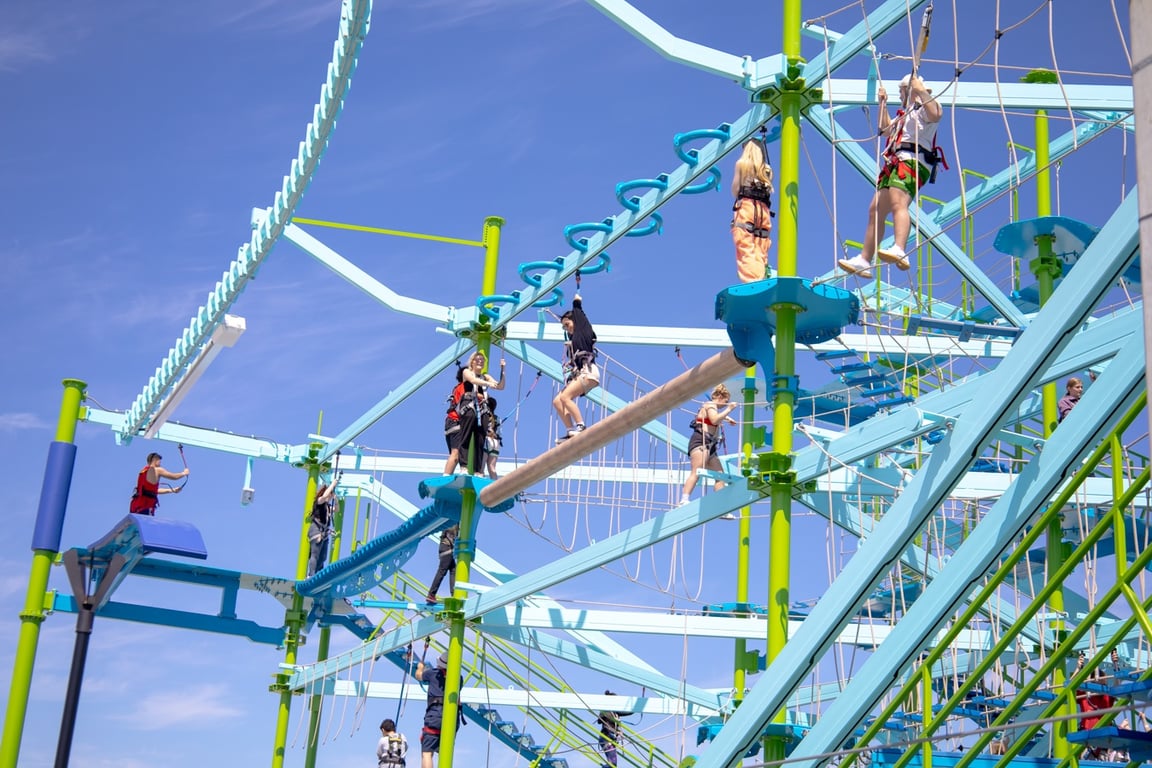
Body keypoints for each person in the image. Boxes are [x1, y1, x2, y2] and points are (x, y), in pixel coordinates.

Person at [840, 73, 944, 278]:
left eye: (901, 91)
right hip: (896, 162)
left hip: (912, 161)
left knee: (898, 203)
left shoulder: (924, 108)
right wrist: (882, 103)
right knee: (875, 210)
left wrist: (920, 90)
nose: (900, 95)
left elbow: (937, 114)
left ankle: (899, 248)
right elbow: (885, 129)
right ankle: (864, 259)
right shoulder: (904, 115)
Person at [443, 352, 505, 475]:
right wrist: (489, 384)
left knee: (480, 440)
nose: (480, 361)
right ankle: (464, 467)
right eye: (477, 359)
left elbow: (500, 386)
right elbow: (472, 380)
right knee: (465, 436)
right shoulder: (467, 372)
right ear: (472, 361)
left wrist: (503, 370)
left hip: (482, 410)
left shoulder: (485, 376)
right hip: (469, 406)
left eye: (482, 359)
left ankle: (478, 471)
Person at [679, 384, 739, 506]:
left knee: (720, 476)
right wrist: (729, 409)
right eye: (726, 402)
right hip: (701, 441)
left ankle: (720, 505)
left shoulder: (712, 407)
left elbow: (715, 416)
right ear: (720, 397)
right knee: (697, 471)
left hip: (710, 445)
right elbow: (714, 419)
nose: (725, 405)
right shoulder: (710, 405)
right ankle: (684, 499)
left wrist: (727, 418)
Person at [554, 294, 599, 444]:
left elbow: (578, 312)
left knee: (566, 397)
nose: (566, 328)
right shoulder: (573, 340)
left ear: (575, 321)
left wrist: (577, 300)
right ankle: (570, 431)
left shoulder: (583, 330)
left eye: (567, 324)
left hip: (589, 372)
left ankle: (581, 426)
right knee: (557, 401)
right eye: (563, 327)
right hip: (580, 374)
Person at [730, 137, 775, 283]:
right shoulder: (767, 170)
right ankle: (761, 274)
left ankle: (752, 280)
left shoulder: (742, 164)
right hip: (763, 211)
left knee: (745, 244)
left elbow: (735, 190)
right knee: (761, 245)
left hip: (747, 208)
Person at [413, 651, 464, 768]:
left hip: (435, 715)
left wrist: (420, 667)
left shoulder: (432, 673)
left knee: (427, 752)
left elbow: (419, 676)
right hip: (452, 716)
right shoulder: (459, 678)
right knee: (444, 751)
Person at [306, 478, 338, 577]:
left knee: (323, 557)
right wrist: (333, 484)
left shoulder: (328, 507)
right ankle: (311, 575)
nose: (329, 496)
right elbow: (324, 497)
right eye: (329, 494)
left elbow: (336, 509)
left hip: (324, 533)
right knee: (315, 554)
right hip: (316, 531)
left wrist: (335, 499)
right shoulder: (319, 501)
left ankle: (318, 574)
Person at [596, 691, 632, 768]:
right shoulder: (606, 710)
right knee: (612, 763)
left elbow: (629, 712)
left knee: (613, 763)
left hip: (611, 738)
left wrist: (638, 707)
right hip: (606, 737)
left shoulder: (615, 712)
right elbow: (600, 720)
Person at [426, 525, 458, 605]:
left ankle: (454, 593)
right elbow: (449, 534)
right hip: (447, 548)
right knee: (442, 571)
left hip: (446, 548)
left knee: (453, 570)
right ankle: (431, 594)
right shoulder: (453, 521)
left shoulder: (453, 520)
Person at [484, 396, 502, 480]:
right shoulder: (498, 418)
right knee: (492, 468)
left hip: (486, 440)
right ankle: (496, 485)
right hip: (496, 443)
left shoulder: (484, 416)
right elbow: (499, 433)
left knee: (481, 466)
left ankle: (480, 484)